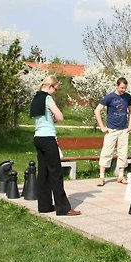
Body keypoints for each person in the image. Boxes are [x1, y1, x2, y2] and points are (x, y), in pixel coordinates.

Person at [30, 75, 81, 216]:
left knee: (44, 173)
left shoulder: (36, 98)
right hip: (48, 138)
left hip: (38, 137)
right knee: (56, 173)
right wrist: (55, 118)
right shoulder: (47, 98)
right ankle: (64, 208)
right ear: (50, 86)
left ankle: (44, 206)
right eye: (56, 89)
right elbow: (60, 116)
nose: (55, 92)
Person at [94, 77, 131, 187]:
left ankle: (120, 176)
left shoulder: (127, 97)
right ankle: (101, 177)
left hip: (123, 129)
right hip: (111, 130)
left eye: (125, 88)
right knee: (107, 152)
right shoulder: (110, 97)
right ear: (117, 86)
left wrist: (130, 124)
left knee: (123, 152)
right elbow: (97, 110)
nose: (123, 90)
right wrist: (102, 127)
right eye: (121, 88)